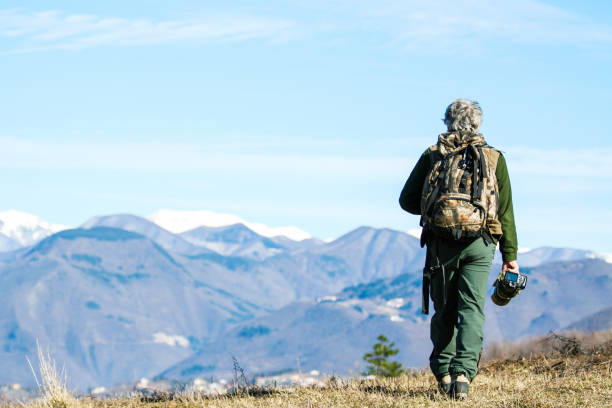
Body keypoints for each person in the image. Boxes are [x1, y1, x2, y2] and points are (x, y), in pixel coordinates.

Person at [398, 99, 518, 399]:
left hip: (441, 242)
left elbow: (406, 200)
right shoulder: (493, 158)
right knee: (472, 309)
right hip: (481, 243)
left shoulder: (433, 155)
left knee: (445, 310)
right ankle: (464, 375)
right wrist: (510, 257)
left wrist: (434, 210)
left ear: (447, 122)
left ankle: (443, 371)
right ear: (478, 124)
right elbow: (505, 212)